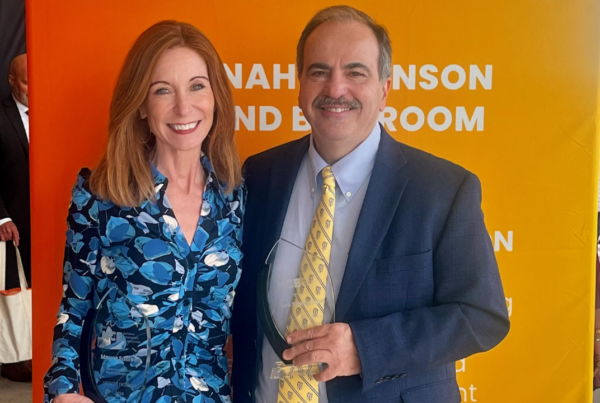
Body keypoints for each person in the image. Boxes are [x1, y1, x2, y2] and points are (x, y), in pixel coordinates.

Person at [231, 6, 509, 403]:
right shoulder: (260, 175)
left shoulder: (443, 190)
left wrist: (365, 347)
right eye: (319, 71)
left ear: (384, 89)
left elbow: (482, 316)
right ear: (300, 85)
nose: (336, 88)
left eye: (356, 72)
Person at [43, 21, 245, 403]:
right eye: (162, 91)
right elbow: (73, 308)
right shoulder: (100, 195)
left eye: (197, 86)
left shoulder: (235, 197)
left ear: (216, 94)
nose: (184, 107)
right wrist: (63, 390)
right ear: (139, 104)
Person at [0, 53, 32, 383]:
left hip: (48, 221)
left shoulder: (52, 110)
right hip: (12, 225)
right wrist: (1, 219)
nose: (33, 88)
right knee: (13, 295)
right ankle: (14, 360)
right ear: (11, 81)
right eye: (26, 81)